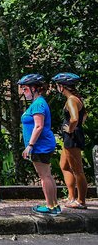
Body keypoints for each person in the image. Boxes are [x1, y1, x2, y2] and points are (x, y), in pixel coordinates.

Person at [19, 74, 59, 216]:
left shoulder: (38, 104)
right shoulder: (39, 103)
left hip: (40, 145)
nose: (24, 92)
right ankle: (54, 204)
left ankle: (50, 206)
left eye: (25, 89)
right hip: (42, 144)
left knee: (44, 176)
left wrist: (30, 145)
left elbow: (38, 126)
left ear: (34, 88)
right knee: (47, 175)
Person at [52, 72, 88, 209]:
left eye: (57, 86)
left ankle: (81, 201)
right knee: (64, 166)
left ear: (62, 87)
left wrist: (71, 129)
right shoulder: (76, 99)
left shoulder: (71, 100)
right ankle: (71, 196)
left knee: (77, 169)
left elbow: (74, 118)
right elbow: (84, 115)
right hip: (71, 137)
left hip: (72, 137)